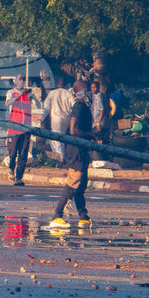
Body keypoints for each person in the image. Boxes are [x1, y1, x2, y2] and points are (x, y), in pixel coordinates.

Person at [49, 80, 96, 228]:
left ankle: (83, 216)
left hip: (82, 151)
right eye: (86, 90)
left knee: (81, 186)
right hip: (76, 152)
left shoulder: (84, 107)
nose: (89, 93)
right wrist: (91, 135)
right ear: (80, 93)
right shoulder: (78, 107)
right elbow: (74, 129)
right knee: (72, 183)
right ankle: (57, 216)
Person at [5, 74, 34, 185]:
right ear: (16, 81)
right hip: (14, 128)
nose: (21, 81)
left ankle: (19, 177)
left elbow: (38, 104)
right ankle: (11, 169)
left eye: (23, 79)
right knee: (13, 153)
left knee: (23, 153)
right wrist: (20, 95)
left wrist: (31, 98)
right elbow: (8, 103)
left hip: (26, 127)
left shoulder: (29, 93)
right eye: (20, 79)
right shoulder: (11, 93)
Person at [43, 77, 74, 162]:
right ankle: (62, 156)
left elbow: (46, 106)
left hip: (56, 118)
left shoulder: (52, 93)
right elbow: (74, 105)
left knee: (56, 138)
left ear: (57, 84)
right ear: (65, 85)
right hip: (66, 118)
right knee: (63, 137)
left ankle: (60, 159)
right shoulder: (68, 93)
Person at [90, 81, 109, 160]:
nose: (93, 89)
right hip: (97, 122)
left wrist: (98, 124)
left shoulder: (99, 96)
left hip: (100, 123)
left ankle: (100, 159)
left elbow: (102, 110)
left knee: (98, 140)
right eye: (92, 88)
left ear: (98, 88)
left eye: (95, 87)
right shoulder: (95, 96)